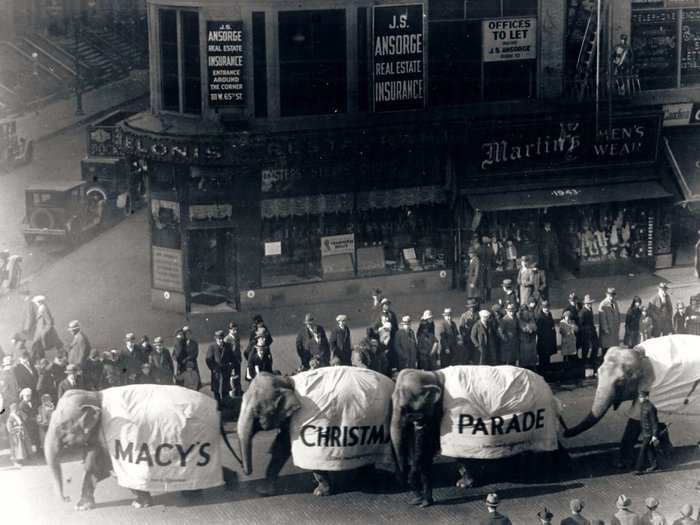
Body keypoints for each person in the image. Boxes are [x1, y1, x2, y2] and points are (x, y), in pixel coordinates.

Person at [29, 295, 63, 362]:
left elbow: (49, 321)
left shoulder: (43, 308)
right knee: (37, 345)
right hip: (40, 330)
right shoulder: (41, 308)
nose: (35, 303)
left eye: (36, 302)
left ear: (39, 302)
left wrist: (44, 332)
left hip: (42, 330)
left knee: (37, 345)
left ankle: (36, 360)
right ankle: (38, 359)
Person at [635, 390, 660, 475]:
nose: (639, 399)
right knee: (649, 449)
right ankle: (654, 465)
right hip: (645, 431)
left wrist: (654, 435)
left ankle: (638, 469)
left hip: (649, 433)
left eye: (641, 397)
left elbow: (654, 422)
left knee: (643, 450)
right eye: (639, 397)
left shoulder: (650, 407)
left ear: (646, 397)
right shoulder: (643, 406)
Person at [206, 330, 234, 403]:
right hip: (216, 372)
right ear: (215, 338)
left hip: (226, 370)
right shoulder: (212, 347)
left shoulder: (228, 346)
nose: (221, 340)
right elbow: (208, 359)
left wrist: (230, 367)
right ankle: (218, 404)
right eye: (219, 339)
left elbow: (232, 358)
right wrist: (213, 368)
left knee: (226, 389)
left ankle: (226, 404)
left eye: (222, 338)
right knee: (216, 389)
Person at [598, 288, 621, 361]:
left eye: (613, 295)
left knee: (613, 349)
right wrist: (606, 329)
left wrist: (618, 326)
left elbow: (618, 314)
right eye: (610, 295)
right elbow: (602, 320)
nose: (611, 297)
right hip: (607, 333)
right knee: (606, 350)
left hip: (614, 331)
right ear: (607, 295)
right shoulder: (603, 304)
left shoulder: (615, 302)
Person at [6, 403, 31, 467]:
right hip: (14, 435)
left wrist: (21, 413)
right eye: (15, 409)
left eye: (17, 409)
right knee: (15, 448)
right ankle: (15, 462)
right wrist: (15, 430)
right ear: (12, 410)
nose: (16, 411)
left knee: (21, 448)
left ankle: (20, 460)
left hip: (20, 434)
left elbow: (25, 418)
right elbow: (9, 427)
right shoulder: (10, 417)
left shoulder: (19, 415)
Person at [518, 298, 538, 370]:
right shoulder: (521, 317)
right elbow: (523, 327)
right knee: (525, 357)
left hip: (531, 339)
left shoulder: (531, 314)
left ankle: (533, 369)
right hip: (524, 339)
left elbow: (535, 326)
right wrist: (529, 328)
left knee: (532, 356)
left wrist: (532, 328)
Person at [536, 300, 557, 373]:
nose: (546, 309)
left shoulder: (549, 314)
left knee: (548, 356)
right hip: (543, 341)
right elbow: (538, 330)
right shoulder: (540, 316)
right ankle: (543, 372)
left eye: (547, 307)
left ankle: (547, 371)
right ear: (542, 308)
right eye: (545, 307)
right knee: (543, 358)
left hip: (549, 340)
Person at [223, 323, 242, 396]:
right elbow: (226, 352)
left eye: (236, 330)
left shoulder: (237, 337)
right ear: (229, 330)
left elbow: (238, 348)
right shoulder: (226, 339)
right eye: (234, 330)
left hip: (237, 360)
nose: (235, 331)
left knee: (238, 377)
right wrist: (228, 361)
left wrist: (239, 358)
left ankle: (238, 392)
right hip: (230, 362)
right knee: (230, 378)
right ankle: (231, 393)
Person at [18, 387, 40, 452]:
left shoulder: (31, 402)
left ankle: (37, 451)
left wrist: (37, 416)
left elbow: (35, 411)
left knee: (36, 437)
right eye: (27, 396)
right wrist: (35, 419)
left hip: (33, 423)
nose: (29, 397)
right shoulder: (22, 405)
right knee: (31, 439)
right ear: (23, 396)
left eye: (30, 395)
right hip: (28, 425)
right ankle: (32, 453)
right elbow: (25, 418)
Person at [580, 295, 599, 369]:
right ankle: (584, 362)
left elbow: (591, 321)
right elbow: (581, 324)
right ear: (585, 304)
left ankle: (592, 360)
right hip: (586, 333)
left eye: (590, 303)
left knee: (596, 345)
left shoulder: (590, 309)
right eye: (588, 303)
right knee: (586, 347)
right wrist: (587, 330)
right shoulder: (582, 312)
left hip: (592, 330)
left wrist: (593, 328)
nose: (590, 304)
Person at [458, 300, 479, 364]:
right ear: (468, 308)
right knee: (467, 354)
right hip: (467, 338)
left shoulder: (478, 314)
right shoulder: (464, 315)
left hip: (476, 337)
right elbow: (461, 327)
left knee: (476, 353)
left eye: (473, 307)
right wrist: (464, 335)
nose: (472, 308)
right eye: (470, 307)